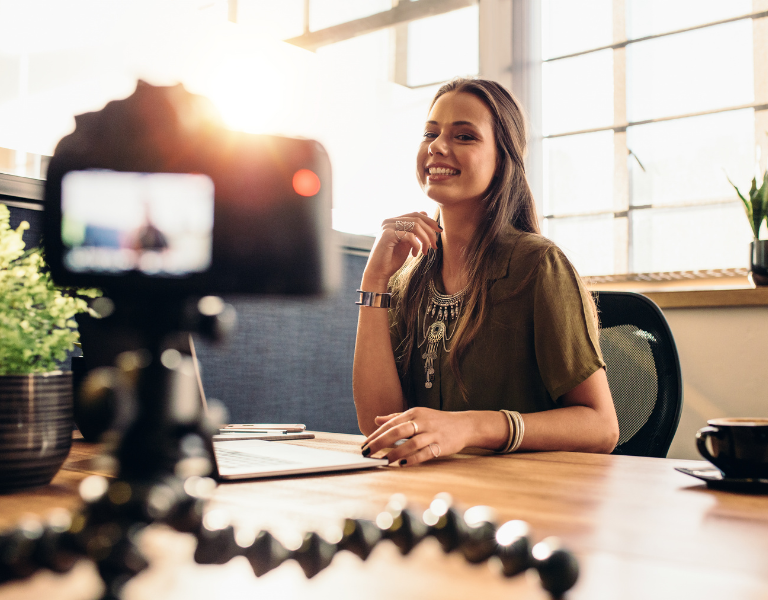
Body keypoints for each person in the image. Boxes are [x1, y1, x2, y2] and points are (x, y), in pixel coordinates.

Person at [352, 77, 619, 467]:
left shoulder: (538, 267)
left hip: (528, 501)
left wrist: (471, 428)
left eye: (464, 136)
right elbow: (377, 423)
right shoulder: (408, 280)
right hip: (436, 498)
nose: (437, 146)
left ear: (502, 159)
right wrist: (374, 282)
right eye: (431, 133)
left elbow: (601, 427)